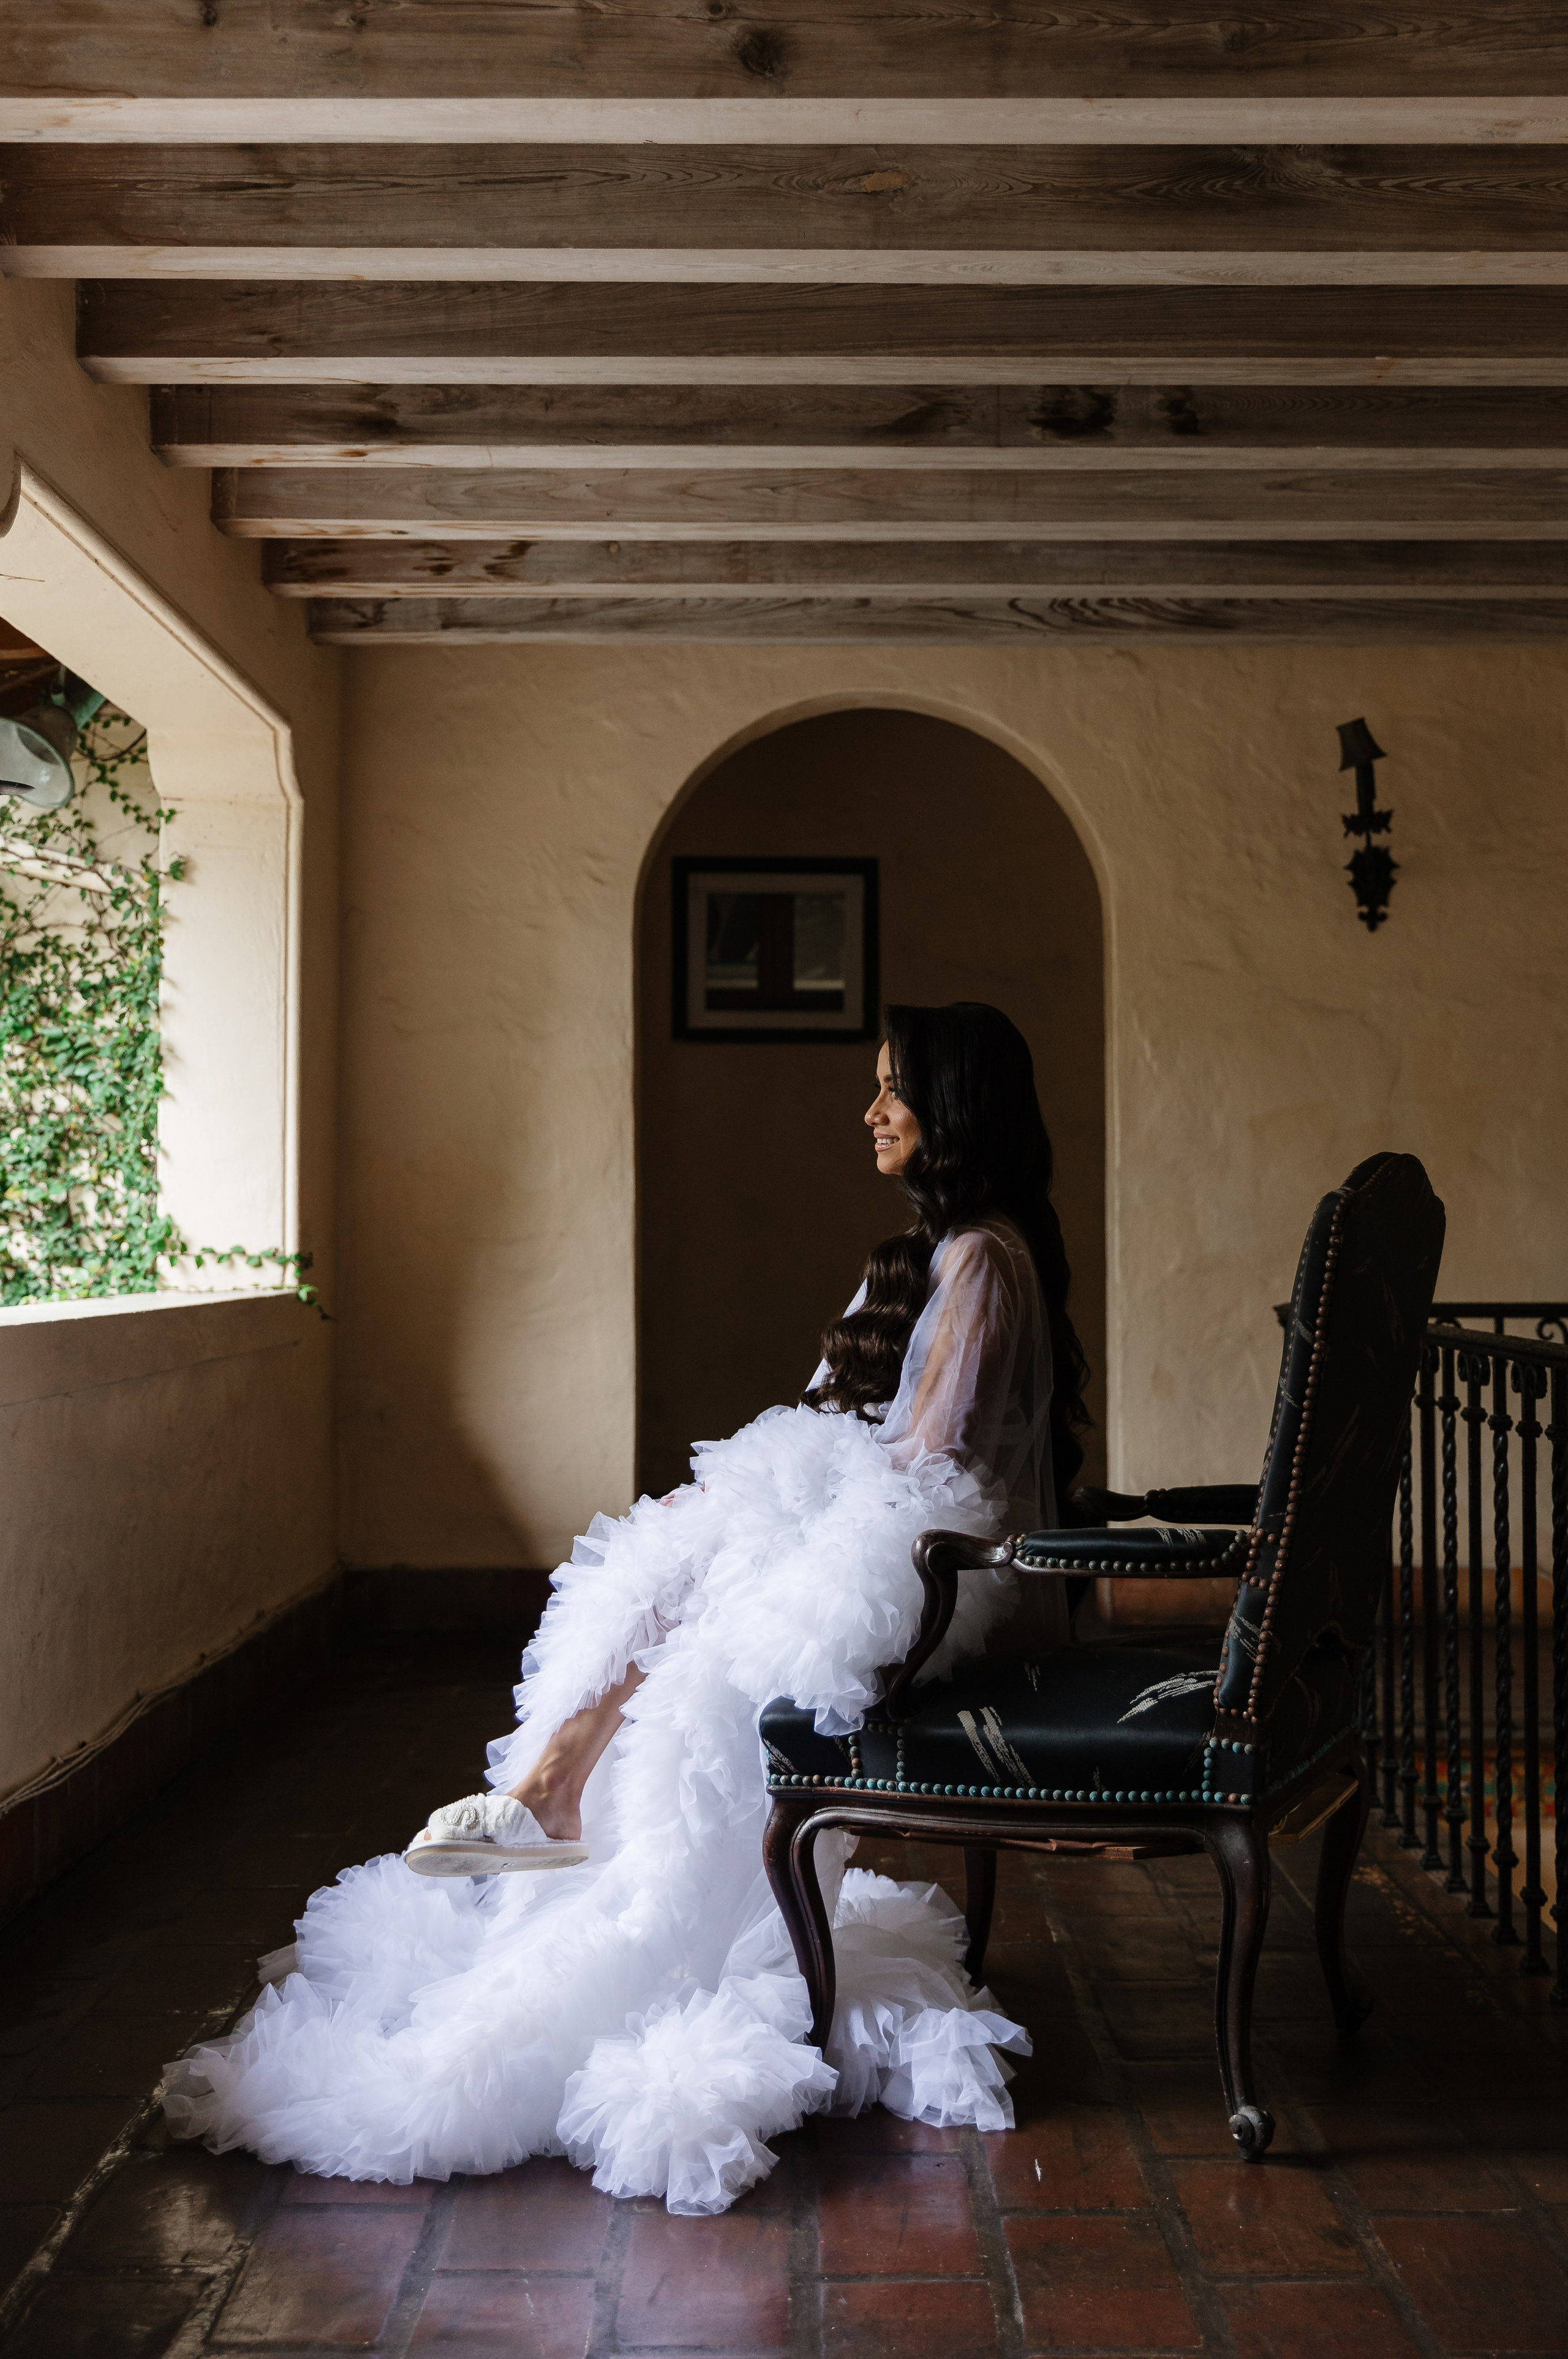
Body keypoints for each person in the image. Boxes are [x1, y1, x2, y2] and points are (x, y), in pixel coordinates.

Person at [163, 1002, 1091, 2216]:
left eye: (893, 1090)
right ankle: (553, 1778)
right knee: (659, 1573)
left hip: (930, 1580)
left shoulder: (979, 1259)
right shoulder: (939, 1251)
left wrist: (777, 1518)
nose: (869, 1112)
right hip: (896, 1543)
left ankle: (581, 1835)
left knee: (704, 1671)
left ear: (953, 1109)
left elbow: (923, 1469)